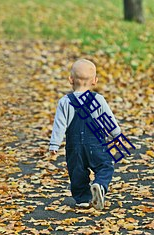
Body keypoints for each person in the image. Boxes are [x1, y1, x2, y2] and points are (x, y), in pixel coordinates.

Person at [49, 59, 121, 210]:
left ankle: (82, 199)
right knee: (105, 166)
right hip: (96, 143)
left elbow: (59, 125)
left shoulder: (65, 102)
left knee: (77, 171)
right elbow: (107, 119)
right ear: (95, 81)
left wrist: (54, 144)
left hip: (74, 146)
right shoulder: (98, 100)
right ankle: (99, 185)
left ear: (71, 79)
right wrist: (116, 134)